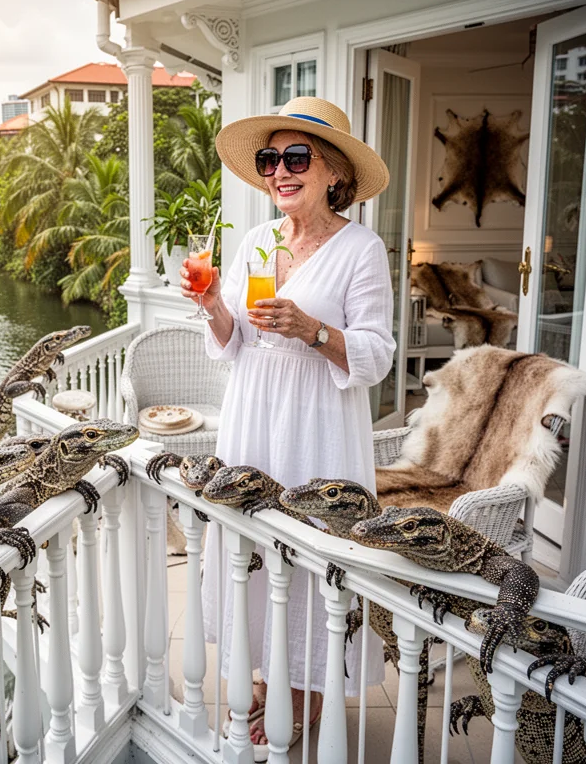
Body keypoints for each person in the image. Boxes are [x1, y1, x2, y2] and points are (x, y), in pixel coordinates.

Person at [179, 97, 395, 758]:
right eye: (271, 159)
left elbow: (378, 356)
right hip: (253, 422)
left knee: (309, 562)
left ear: (334, 172)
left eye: (296, 157)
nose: (280, 170)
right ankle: (270, 686)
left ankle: (307, 699)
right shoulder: (257, 241)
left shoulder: (361, 249)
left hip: (318, 429)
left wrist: (314, 330)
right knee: (250, 556)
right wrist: (214, 303)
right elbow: (236, 341)